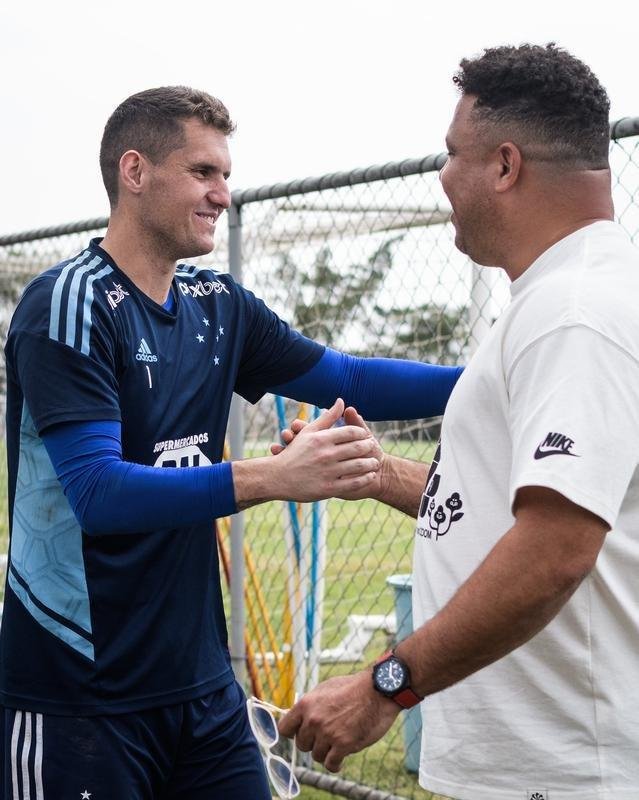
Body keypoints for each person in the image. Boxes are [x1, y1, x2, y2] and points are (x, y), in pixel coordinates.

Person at [0, 86, 462, 799]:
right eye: (203, 172)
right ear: (134, 171)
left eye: (225, 174)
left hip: (202, 685)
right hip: (80, 698)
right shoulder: (69, 304)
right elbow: (98, 493)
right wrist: (273, 477)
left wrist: (496, 377)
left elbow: (348, 378)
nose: (223, 194)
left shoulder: (217, 305)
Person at [278, 43, 639, 800]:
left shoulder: (573, 312)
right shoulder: (561, 297)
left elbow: (554, 548)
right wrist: (376, 473)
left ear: (505, 166)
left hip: (571, 772)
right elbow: (515, 504)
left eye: (451, 154)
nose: (441, 176)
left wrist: (384, 685)